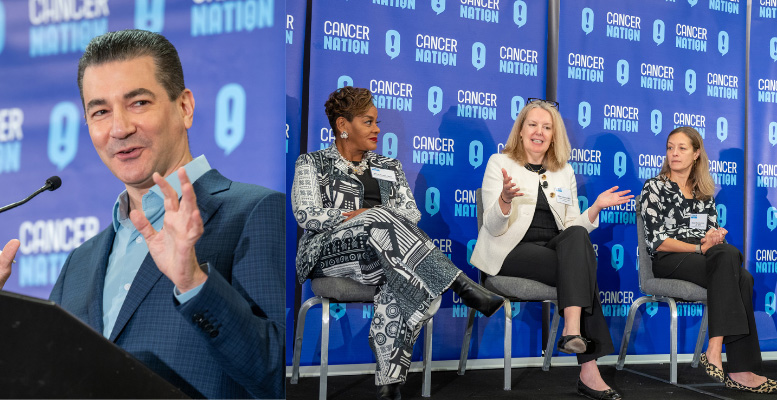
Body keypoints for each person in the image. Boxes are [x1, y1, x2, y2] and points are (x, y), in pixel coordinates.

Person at [0, 29, 283, 399]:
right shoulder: (79, 263)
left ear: (184, 107)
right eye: (100, 111)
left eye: (138, 103)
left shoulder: (256, 213)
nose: (119, 128)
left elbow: (280, 377)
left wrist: (192, 282)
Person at [292, 86, 504, 400]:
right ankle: (457, 282)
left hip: (384, 257)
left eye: (376, 122)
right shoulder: (312, 164)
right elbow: (307, 216)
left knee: (405, 280)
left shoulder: (389, 166)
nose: (377, 129)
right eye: (368, 122)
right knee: (383, 225)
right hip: (329, 255)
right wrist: (362, 214)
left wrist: (377, 216)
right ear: (342, 126)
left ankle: (389, 386)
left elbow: (411, 213)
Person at [470, 99, 633, 400]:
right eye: (533, 125)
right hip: (509, 250)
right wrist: (505, 199)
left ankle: (572, 329)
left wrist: (595, 207)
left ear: (554, 136)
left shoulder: (564, 171)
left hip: (552, 250)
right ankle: (588, 369)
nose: (539, 132)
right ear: (520, 131)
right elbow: (493, 228)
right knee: (581, 269)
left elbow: (572, 226)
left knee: (577, 240)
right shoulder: (500, 163)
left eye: (547, 127)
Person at [638, 127, 777, 394]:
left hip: (704, 258)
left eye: (681, 148)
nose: (674, 153)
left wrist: (714, 240)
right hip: (670, 260)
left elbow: (711, 238)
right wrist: (697, 249)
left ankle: (727, 360)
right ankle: (727, 358)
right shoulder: (654, 187)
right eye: (670, 147)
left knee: (736, 266)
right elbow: (657, 241)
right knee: (740, 275)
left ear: (696, 153)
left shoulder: (704, 193)